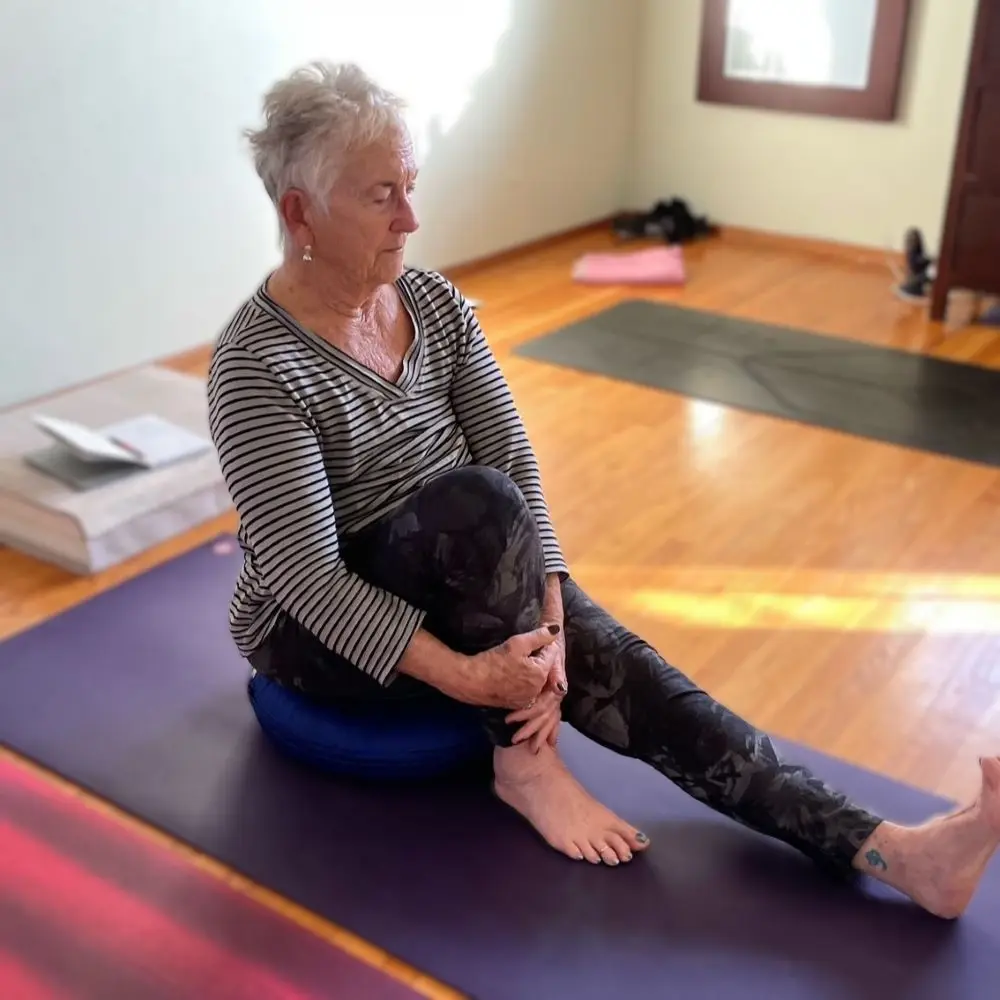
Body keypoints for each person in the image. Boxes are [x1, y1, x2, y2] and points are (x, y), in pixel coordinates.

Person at [207, 61, 1000, 919]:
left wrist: (545, 627)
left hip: (467, 566)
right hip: (313, 628)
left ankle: (893, 851)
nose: (413, 217)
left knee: (625, 663)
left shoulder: (432, 302)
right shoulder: (255, 366)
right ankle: (526, 766)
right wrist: (475, 682)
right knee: (478, 508)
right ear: (300, 214)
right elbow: (308, 579)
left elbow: (514, 456)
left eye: (412, 185)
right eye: (381, 196)